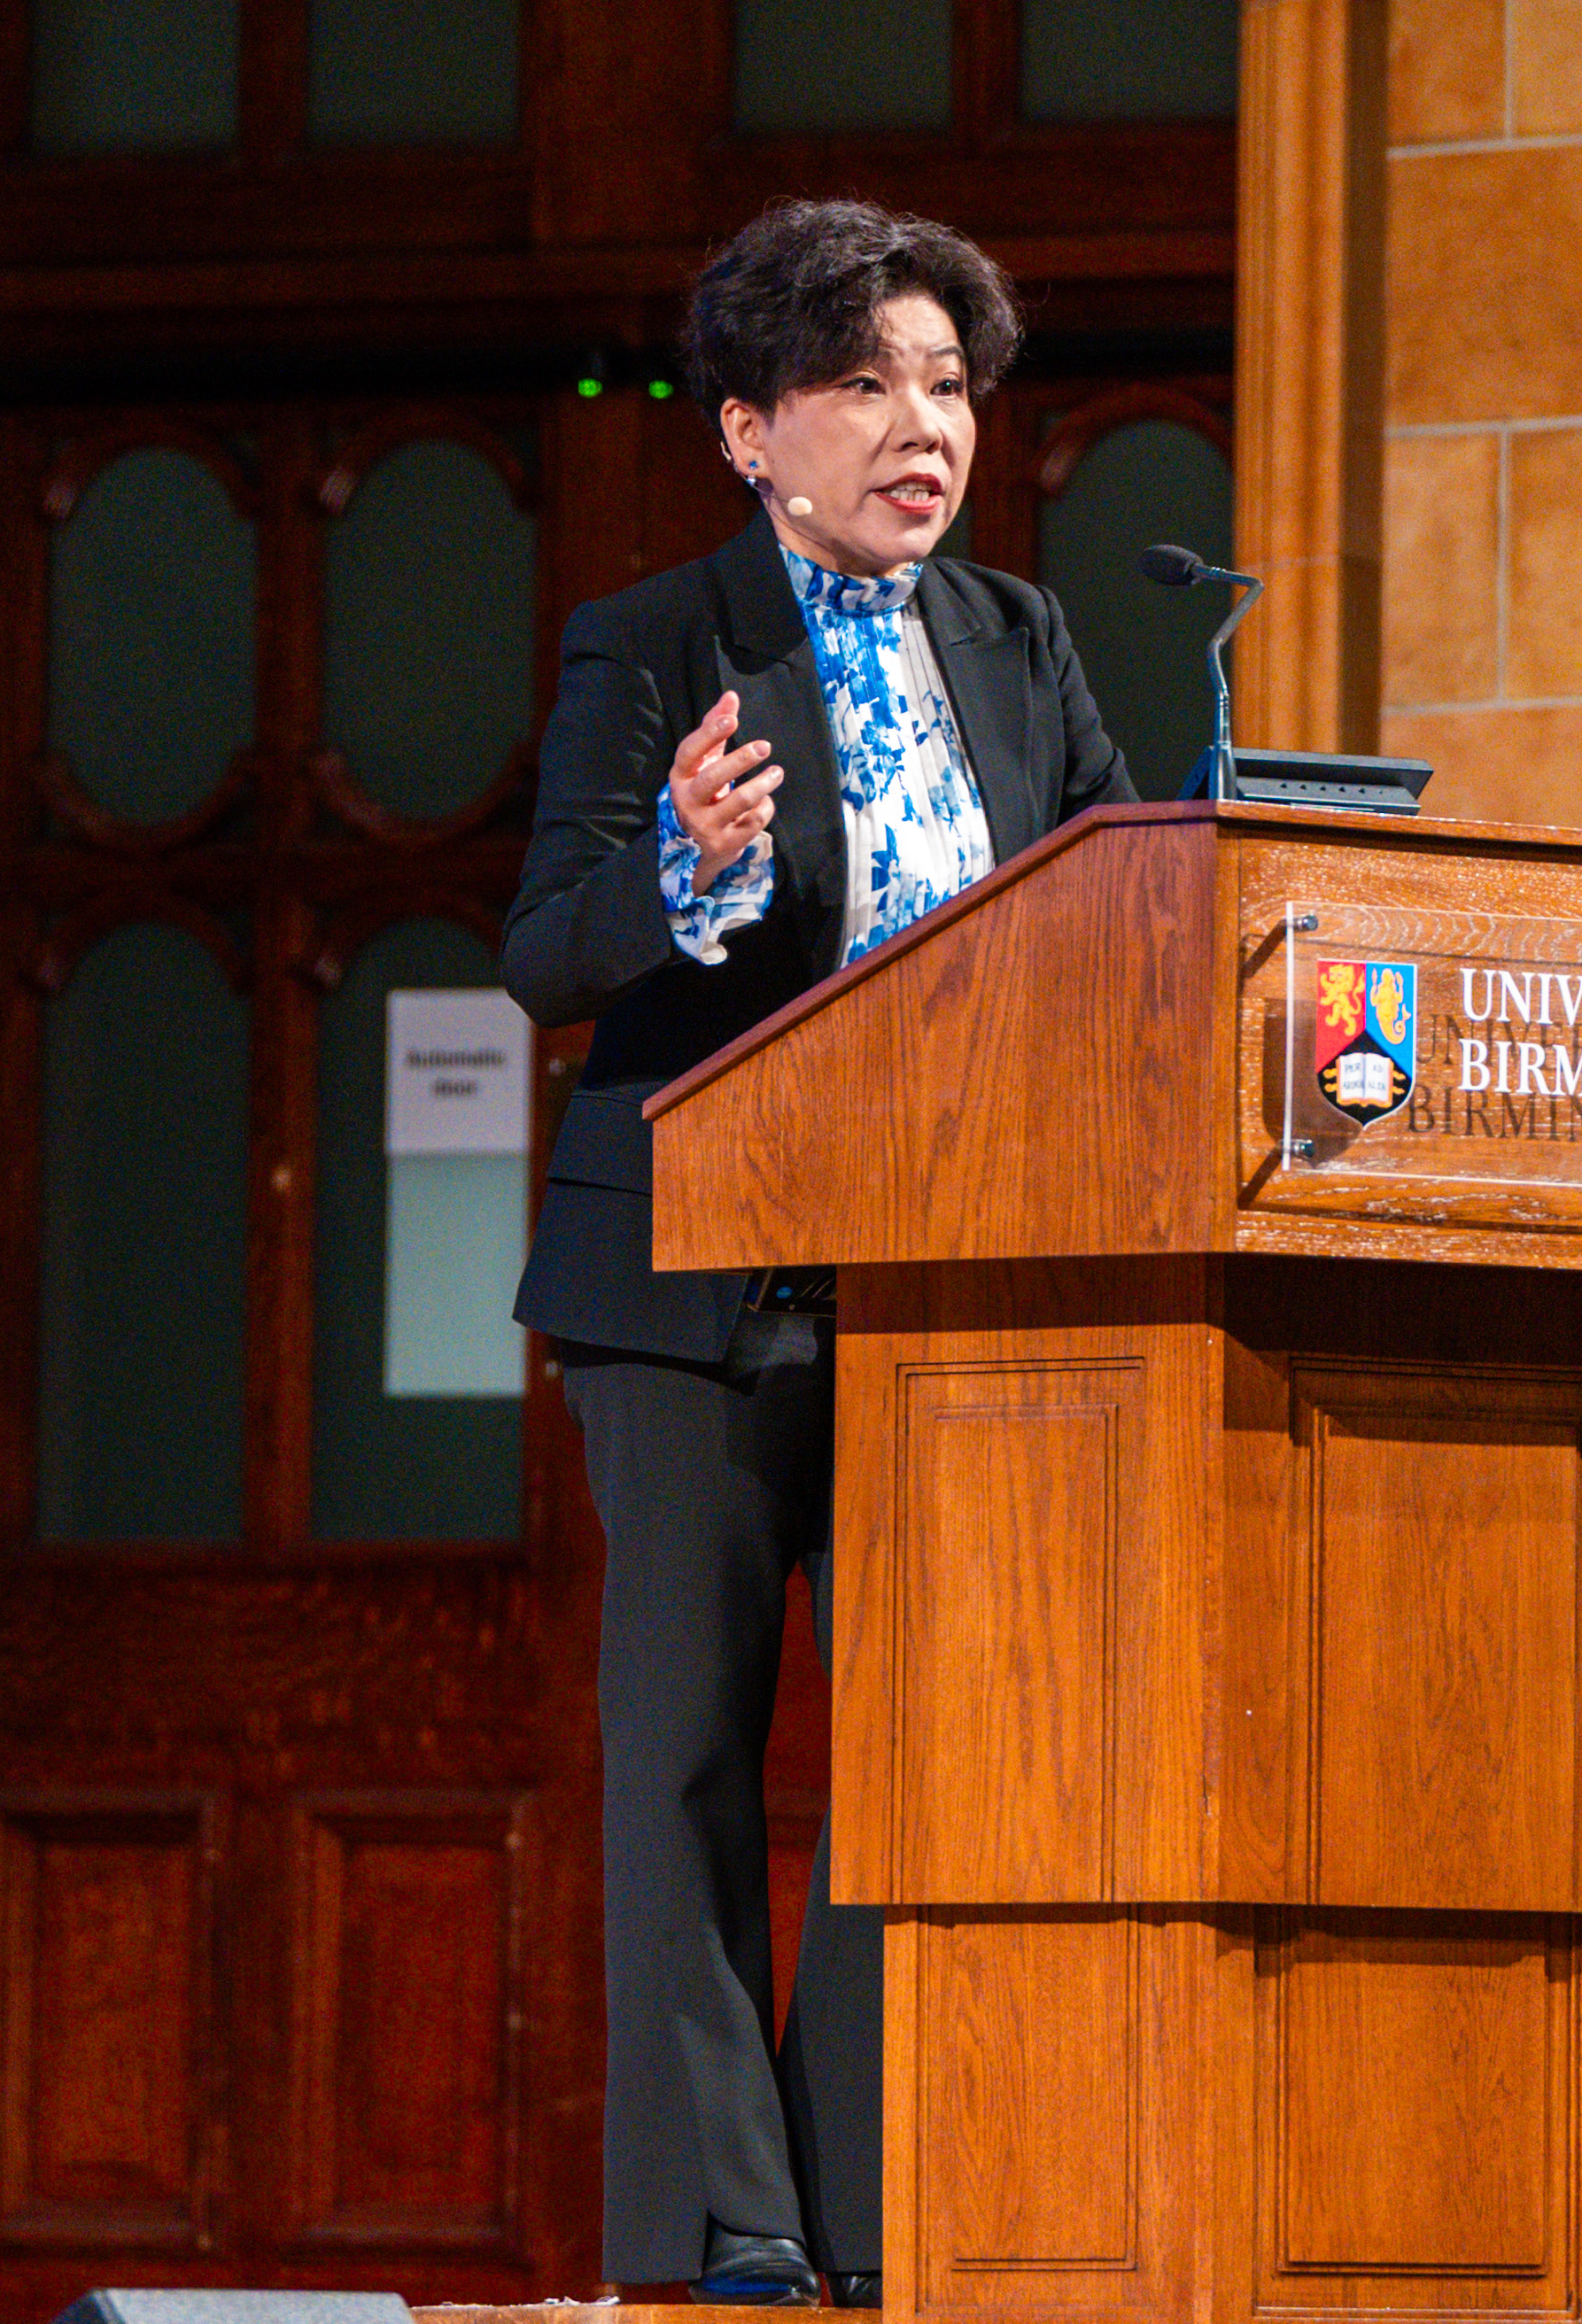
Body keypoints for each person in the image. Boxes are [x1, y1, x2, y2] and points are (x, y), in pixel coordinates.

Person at [501, 198, 1136, 2308]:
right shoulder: (658, 639)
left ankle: (861, 2203)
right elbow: (544, 952)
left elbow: (1120, 903)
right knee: (686, 1759)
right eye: (866, 381)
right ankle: (724, 2237)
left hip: (958, 1303)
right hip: (694, 1295)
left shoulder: (1022, 644)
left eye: (948, 382)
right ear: (753, 429)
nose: (921, 424)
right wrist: (683, 866)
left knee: (940, 1761)